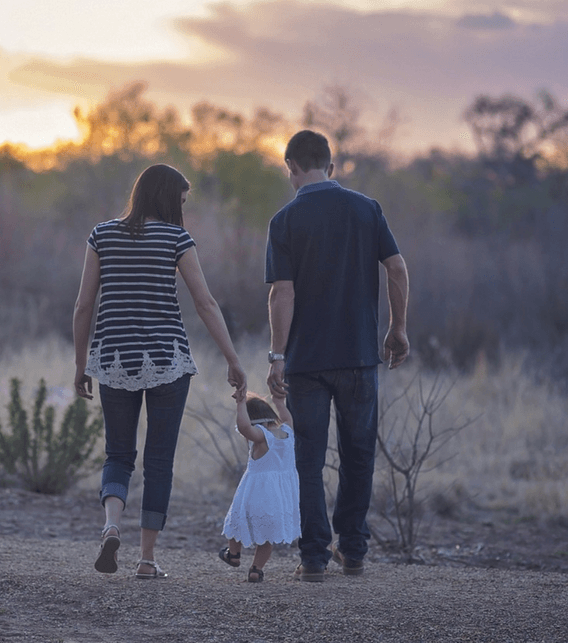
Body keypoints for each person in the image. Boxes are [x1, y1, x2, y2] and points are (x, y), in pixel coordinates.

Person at [73, 164, 246, 579]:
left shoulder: (102, 235)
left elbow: (83, 306)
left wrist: (81, 365)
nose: (183, 209)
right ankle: (146, 560)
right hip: (168, 360)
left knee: (118, 454)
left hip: (113, 359)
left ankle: (112, 524)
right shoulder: (176, 239)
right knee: (159, 461)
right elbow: (205, 304)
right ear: (168, 198)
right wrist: (233, 359)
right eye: (182, 201)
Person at [265, 130, 409, 582]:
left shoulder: (284, 220)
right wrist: (397, 328)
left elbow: (281, 294)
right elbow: (397, 268)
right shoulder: (367, 209)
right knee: (358, 453)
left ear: (290, 166)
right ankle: (354, 549)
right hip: (359, 355)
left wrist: (276, 355)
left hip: (306, 361)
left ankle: (312, 558)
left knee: (308, 458)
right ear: (331, 165)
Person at [219, 392, 301, 583]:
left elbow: (244, 427)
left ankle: (234, 554)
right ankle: (256, 569)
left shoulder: (261, 437)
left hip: (255, 494)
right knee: (266, 537)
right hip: (279, 498)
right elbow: (287, 417)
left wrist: (240, 404)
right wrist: (279, 402)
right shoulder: (288, 432)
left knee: (236, 522)